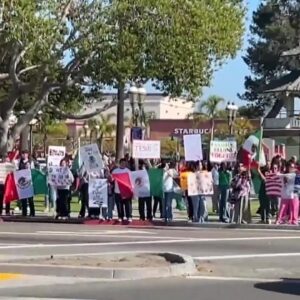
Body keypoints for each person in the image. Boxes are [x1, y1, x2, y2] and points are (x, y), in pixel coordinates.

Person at [111, 158, 133, 222]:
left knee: (127, 205)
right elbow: (112, 179)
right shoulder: (115, 171)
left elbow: (131, 180)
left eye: (124, 163)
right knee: (119, 205)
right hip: (117, 191)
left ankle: (129, 216)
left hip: (126, 191)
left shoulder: (128, 171)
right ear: (119, 163)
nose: (123, 164)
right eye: (122, 163)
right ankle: (120, 216)